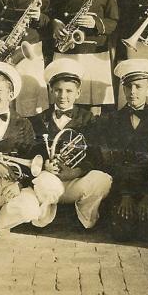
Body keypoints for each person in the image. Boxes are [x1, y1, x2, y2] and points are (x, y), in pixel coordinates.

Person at [0, 62, 63, 239]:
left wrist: (18, 185)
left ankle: (1, 223)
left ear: (11, 94)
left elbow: (34, 162)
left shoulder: (24, 124)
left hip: (15, 186)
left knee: (30, 209)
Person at [29, 59, 112, 230]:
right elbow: (31, 152)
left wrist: (77, 171)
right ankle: (45, 218)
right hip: (49, 181)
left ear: (78, 93)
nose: (63, 96)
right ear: (51, 91)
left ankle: (85, 218)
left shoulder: (87, 119)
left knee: (102, 180)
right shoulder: (40, 120)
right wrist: (44, 165)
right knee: (43, 182)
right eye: (58, 90)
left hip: (75, 180)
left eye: (69, 91)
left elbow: (96, 155)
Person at [91, 59, 148, 242]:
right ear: (123, 90)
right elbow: (109, 161)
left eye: (138, 87)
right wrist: (125, 194)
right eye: (128, 87)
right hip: (120, 187)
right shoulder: (110, 121)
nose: (133, 92)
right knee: (121, 232)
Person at [49, 0, 118, 112]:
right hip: (66, 51)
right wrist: (55, 23)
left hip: (94, 53)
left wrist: (97, 24)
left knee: (93, 107)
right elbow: (51, 13)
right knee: (65, 104)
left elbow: (114, 21)